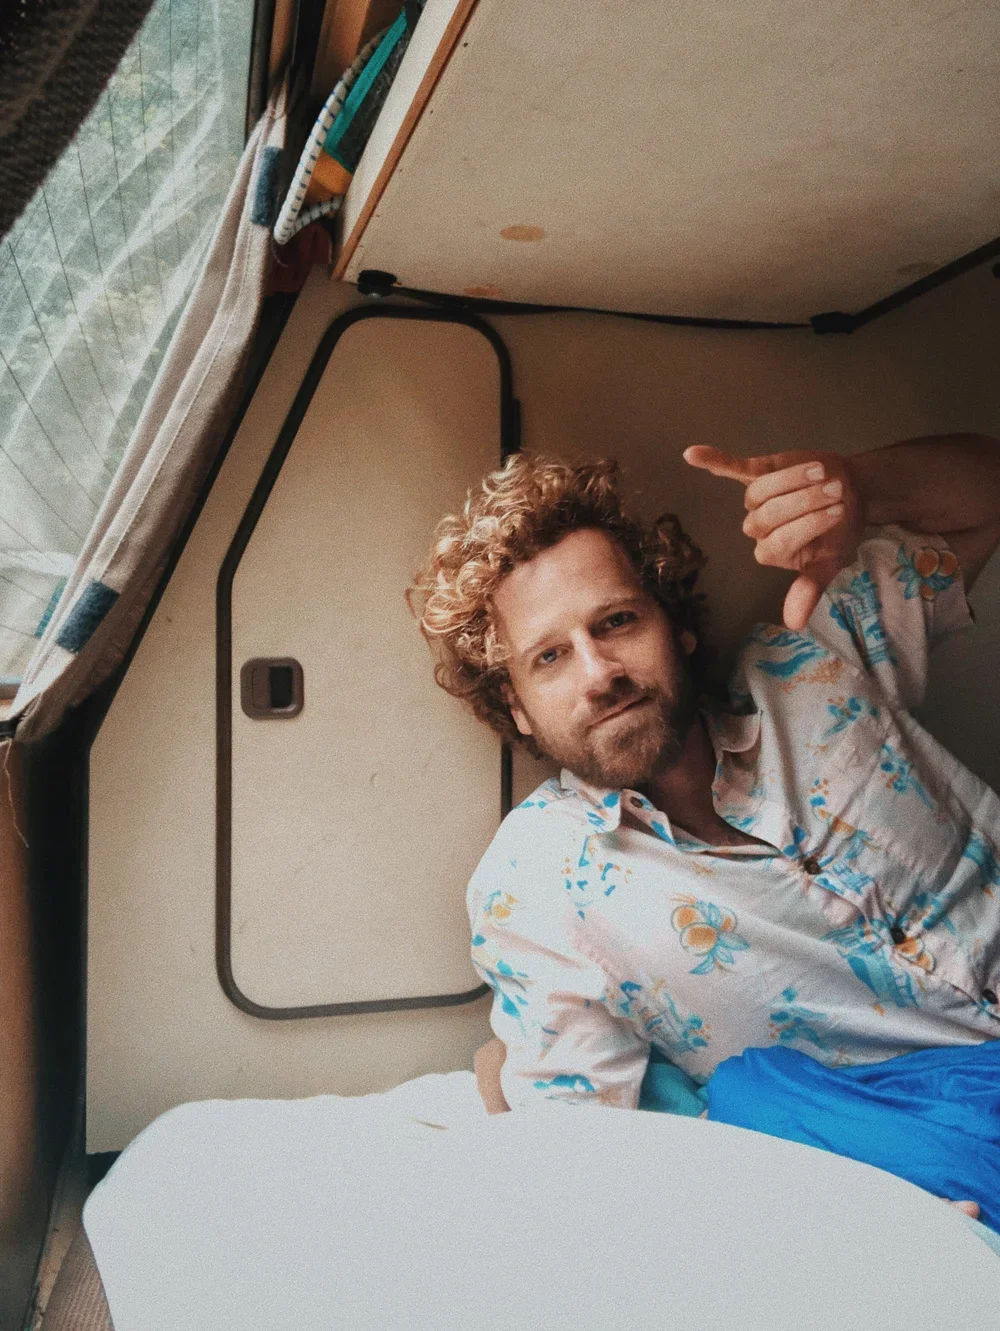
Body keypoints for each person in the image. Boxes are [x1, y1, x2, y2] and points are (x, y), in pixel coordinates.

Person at [408, 434, 1000, 1210]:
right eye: (550, 656)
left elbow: (985, 495)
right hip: (935, 1138)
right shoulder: (538, 883)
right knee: (752, 1096)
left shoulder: (814, 661)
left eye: (617, 621)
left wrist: (861, 487)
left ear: (677, 625)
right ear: (515, 705)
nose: (599, 673)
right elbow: (577, 1152)